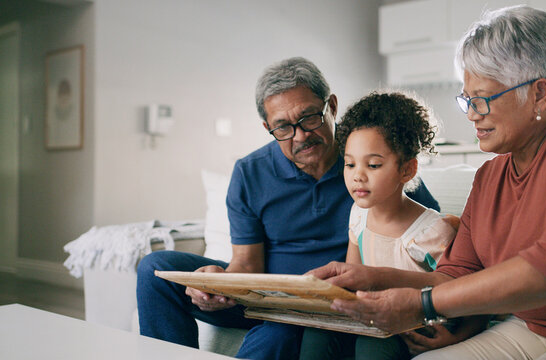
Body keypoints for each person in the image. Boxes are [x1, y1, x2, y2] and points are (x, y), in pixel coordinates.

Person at [309, 5, 546, 359]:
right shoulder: (490, 176)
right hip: (532, 326)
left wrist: (422, 305)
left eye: (483, 100)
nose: (471, 114)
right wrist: (369, 278)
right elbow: (455, 275)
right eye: (466, 99)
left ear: (538, 92)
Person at [136, 57, 440, 360]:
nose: (301, 135)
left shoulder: (369, 154)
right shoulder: (249, 173)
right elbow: (246, 265)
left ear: (331, 106)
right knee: (155, 269)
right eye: (283, 127)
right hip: (266, 297)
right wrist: (216, 284)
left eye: (309, 118)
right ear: (268, 127)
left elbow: (429, 227)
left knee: (276, 336)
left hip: (329, 303)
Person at [298, 92, 462, 360]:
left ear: (407, 170)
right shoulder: (358, 216)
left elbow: (462, 292)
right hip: (371, 318)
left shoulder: (432, 232)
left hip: (413, 325)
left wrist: (458, 335)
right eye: (349, 164)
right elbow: (353, 281)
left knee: (371, 346)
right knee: (318, 333)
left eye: (373, 165)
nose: (357, 175)